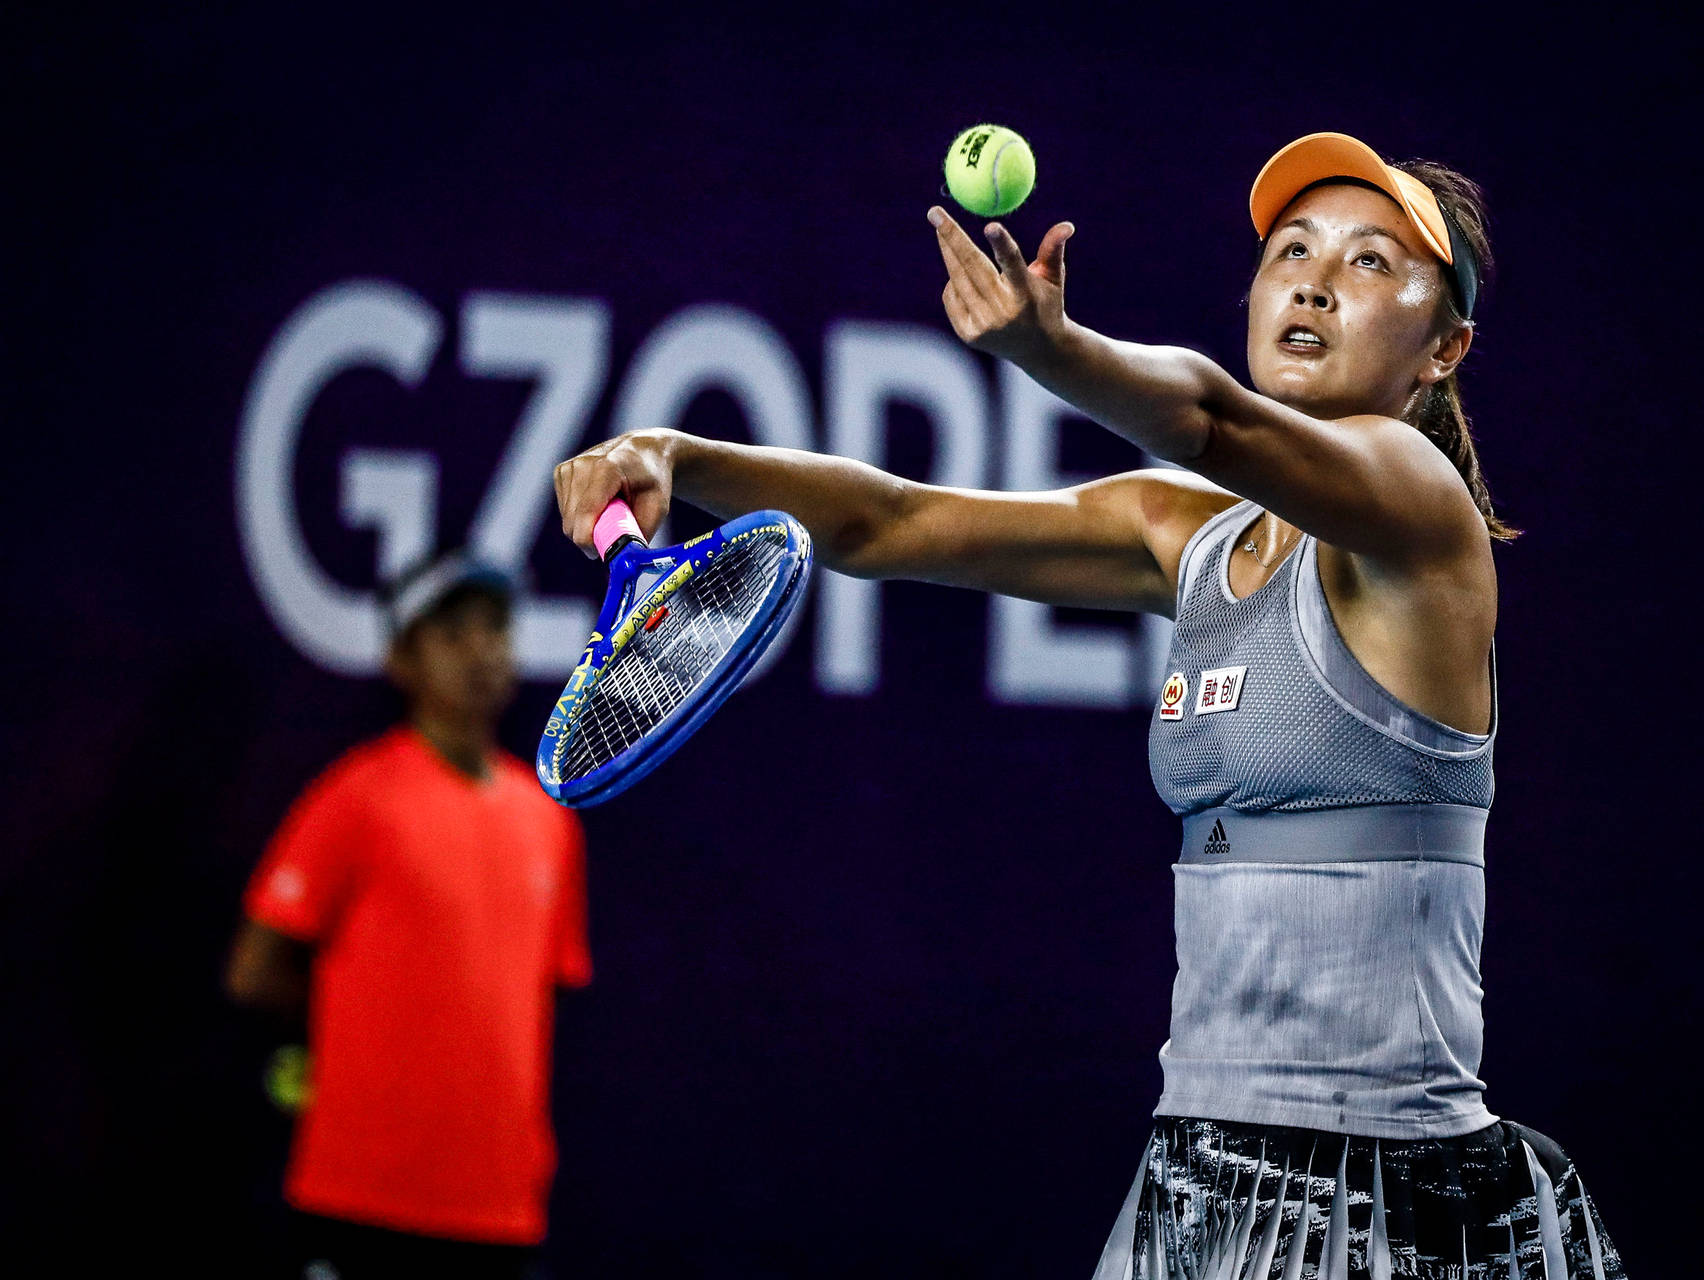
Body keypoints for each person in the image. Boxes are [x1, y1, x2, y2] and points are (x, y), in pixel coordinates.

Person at [552, 131, 1622, 1277]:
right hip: (1191, 1179)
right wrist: (676, 451)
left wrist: (1050, 348)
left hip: (1386, 1197)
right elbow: (892, 521)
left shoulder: (1423, 511)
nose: (1312, 278)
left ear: (1445, 347)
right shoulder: (1188, 539)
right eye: (1292, 250)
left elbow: (1212, 418)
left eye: (1371, 263)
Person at [226, 553, 591, 1279]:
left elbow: (531, 1002)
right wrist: (364, 1021)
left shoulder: (549, 819)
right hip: (359, 1199)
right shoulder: (356, 796)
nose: (483, 651)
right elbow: (254, 974)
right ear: (401, 659)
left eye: (496, 629)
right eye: (453, 633)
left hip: (499, 1208)